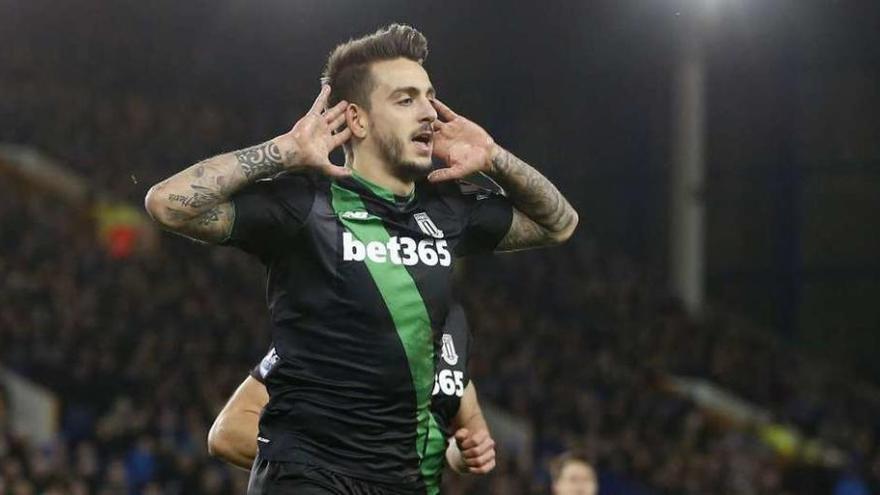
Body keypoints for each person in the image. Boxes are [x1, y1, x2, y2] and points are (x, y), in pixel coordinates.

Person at [145, 23, 577, 495]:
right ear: (357, 119)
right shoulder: (305, 204)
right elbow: (168, 204)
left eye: (430, 97)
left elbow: (559, 224)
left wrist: (493, 157)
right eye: (405, 99)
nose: (429, 112)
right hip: (306, 475)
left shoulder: (448, 208)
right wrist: (282, 152)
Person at [207, 305, 496, 478]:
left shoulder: (453, 322)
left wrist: (465, 452)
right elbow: (228, 433)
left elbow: (463, 412)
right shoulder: (340, 315)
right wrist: (340, 463)